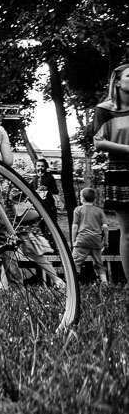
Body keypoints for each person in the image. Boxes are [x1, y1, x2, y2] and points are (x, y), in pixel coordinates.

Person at [93, 62, 129, 282]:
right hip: (120, 169)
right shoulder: (105, 110)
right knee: (128, 231)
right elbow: (98, 142)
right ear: (117, 82)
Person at [72, 188, 108, 283]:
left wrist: (73, 240)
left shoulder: (78, 209)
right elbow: (105, 227)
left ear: (82, 198)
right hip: (96, 241)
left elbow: (75, 226)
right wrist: (105, 241)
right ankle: (105, 284)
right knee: (99, 264)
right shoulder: (99, 211)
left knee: (75, 263)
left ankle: (75, 284)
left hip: (82, 240)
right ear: (94, 199)